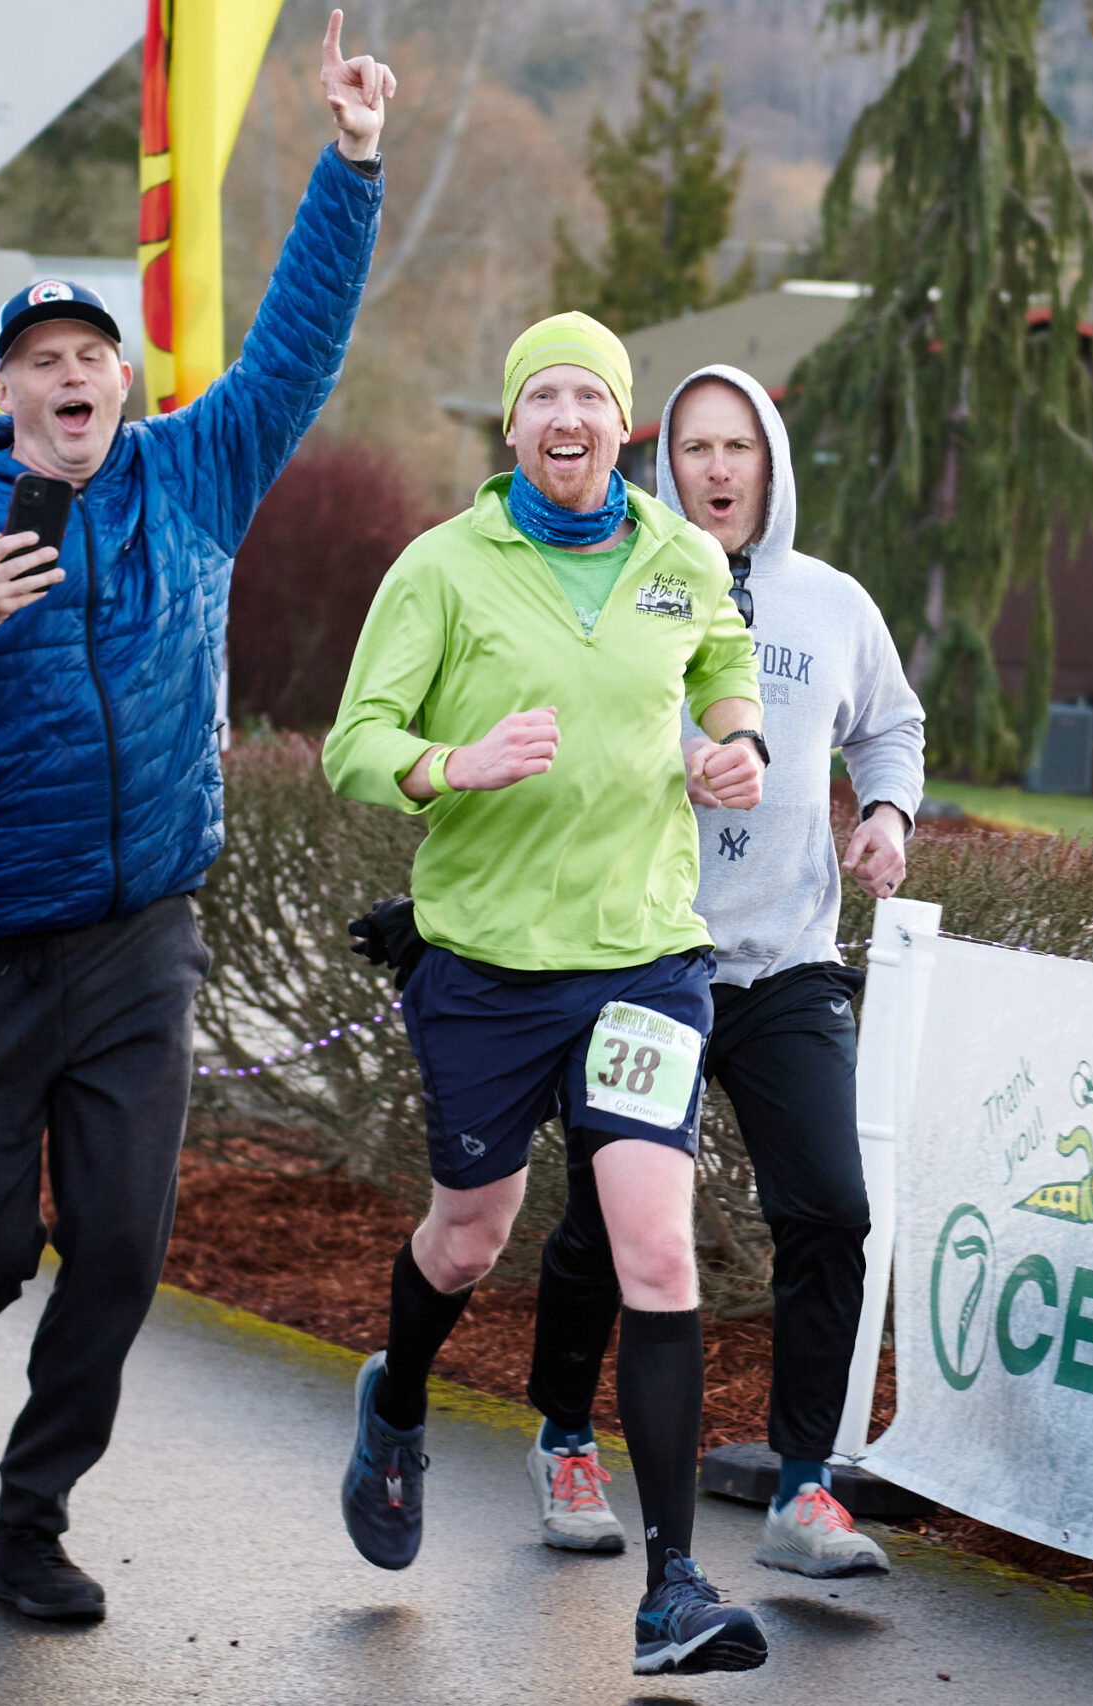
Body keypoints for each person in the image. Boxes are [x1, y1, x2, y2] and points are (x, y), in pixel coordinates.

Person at [0, 12, 395, 1624]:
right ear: (3, 390)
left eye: (93, 357)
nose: (72, 377)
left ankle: (30, 1523)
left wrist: (352, 163)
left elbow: (298, 343)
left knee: (121, 1241)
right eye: (42, 361)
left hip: (138, 937)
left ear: (124, 379)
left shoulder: (194, 474)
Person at [323, 312, 773, 1676]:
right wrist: (453, 765)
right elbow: (355, 745)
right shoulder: (444, 568)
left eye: (590, 396)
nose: (567, 418)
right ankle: (396, 1400)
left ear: (621, 424)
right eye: (543, 398)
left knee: (655, 1247)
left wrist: (734, 745)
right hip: (487, 968)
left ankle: (675, 1587)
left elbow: (721, 663)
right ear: (513, 427)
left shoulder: (680, 558)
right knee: (470, 1233)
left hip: (643, 960)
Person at [520, 366, 924, 1578]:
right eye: (693, 445)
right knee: (602, 1218)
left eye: (737, 444)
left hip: (786, 964)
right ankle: (562, 1437)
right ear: (665, 463)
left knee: (832, 1213)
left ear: (771, 461)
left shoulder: (833, 603)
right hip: (646, 961)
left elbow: (890, 721)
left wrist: (888, 813)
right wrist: (676, 754)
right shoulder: (617, 591)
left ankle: (804, 1485)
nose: (716, 467)